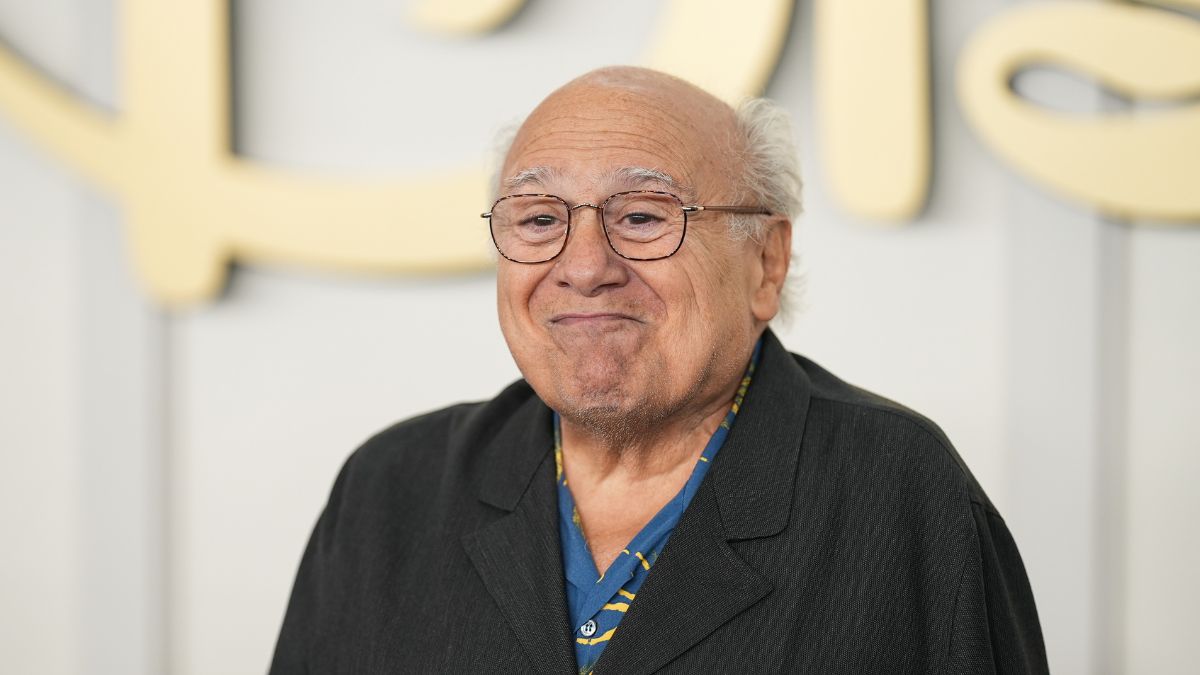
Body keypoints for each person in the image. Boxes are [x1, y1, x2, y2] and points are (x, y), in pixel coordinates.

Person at [269, 66, 1048, 674]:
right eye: (538, 219)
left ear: (766, 262)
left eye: (642, 216)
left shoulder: (901, 489)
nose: (583, 266)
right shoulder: (391, 491)